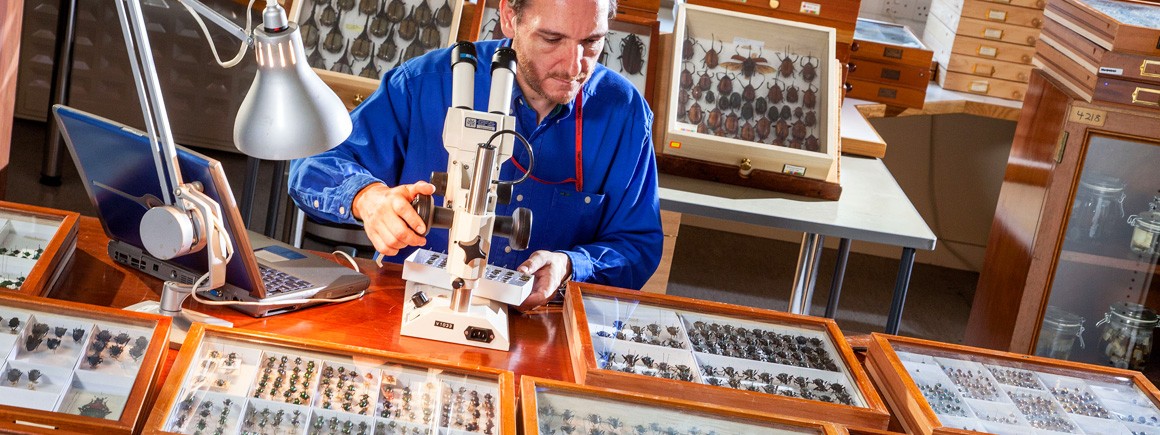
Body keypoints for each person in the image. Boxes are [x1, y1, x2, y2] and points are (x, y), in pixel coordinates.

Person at [288, 0, 662, 310]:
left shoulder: (624, 114)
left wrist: (570, 265)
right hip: (410, 308)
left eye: (592, 42)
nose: (574, 65)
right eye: (552, 39)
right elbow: (312, 165)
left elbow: (637, 245)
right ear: (510, 17)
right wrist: (367, 199)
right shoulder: (426, 83)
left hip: (535, 326)